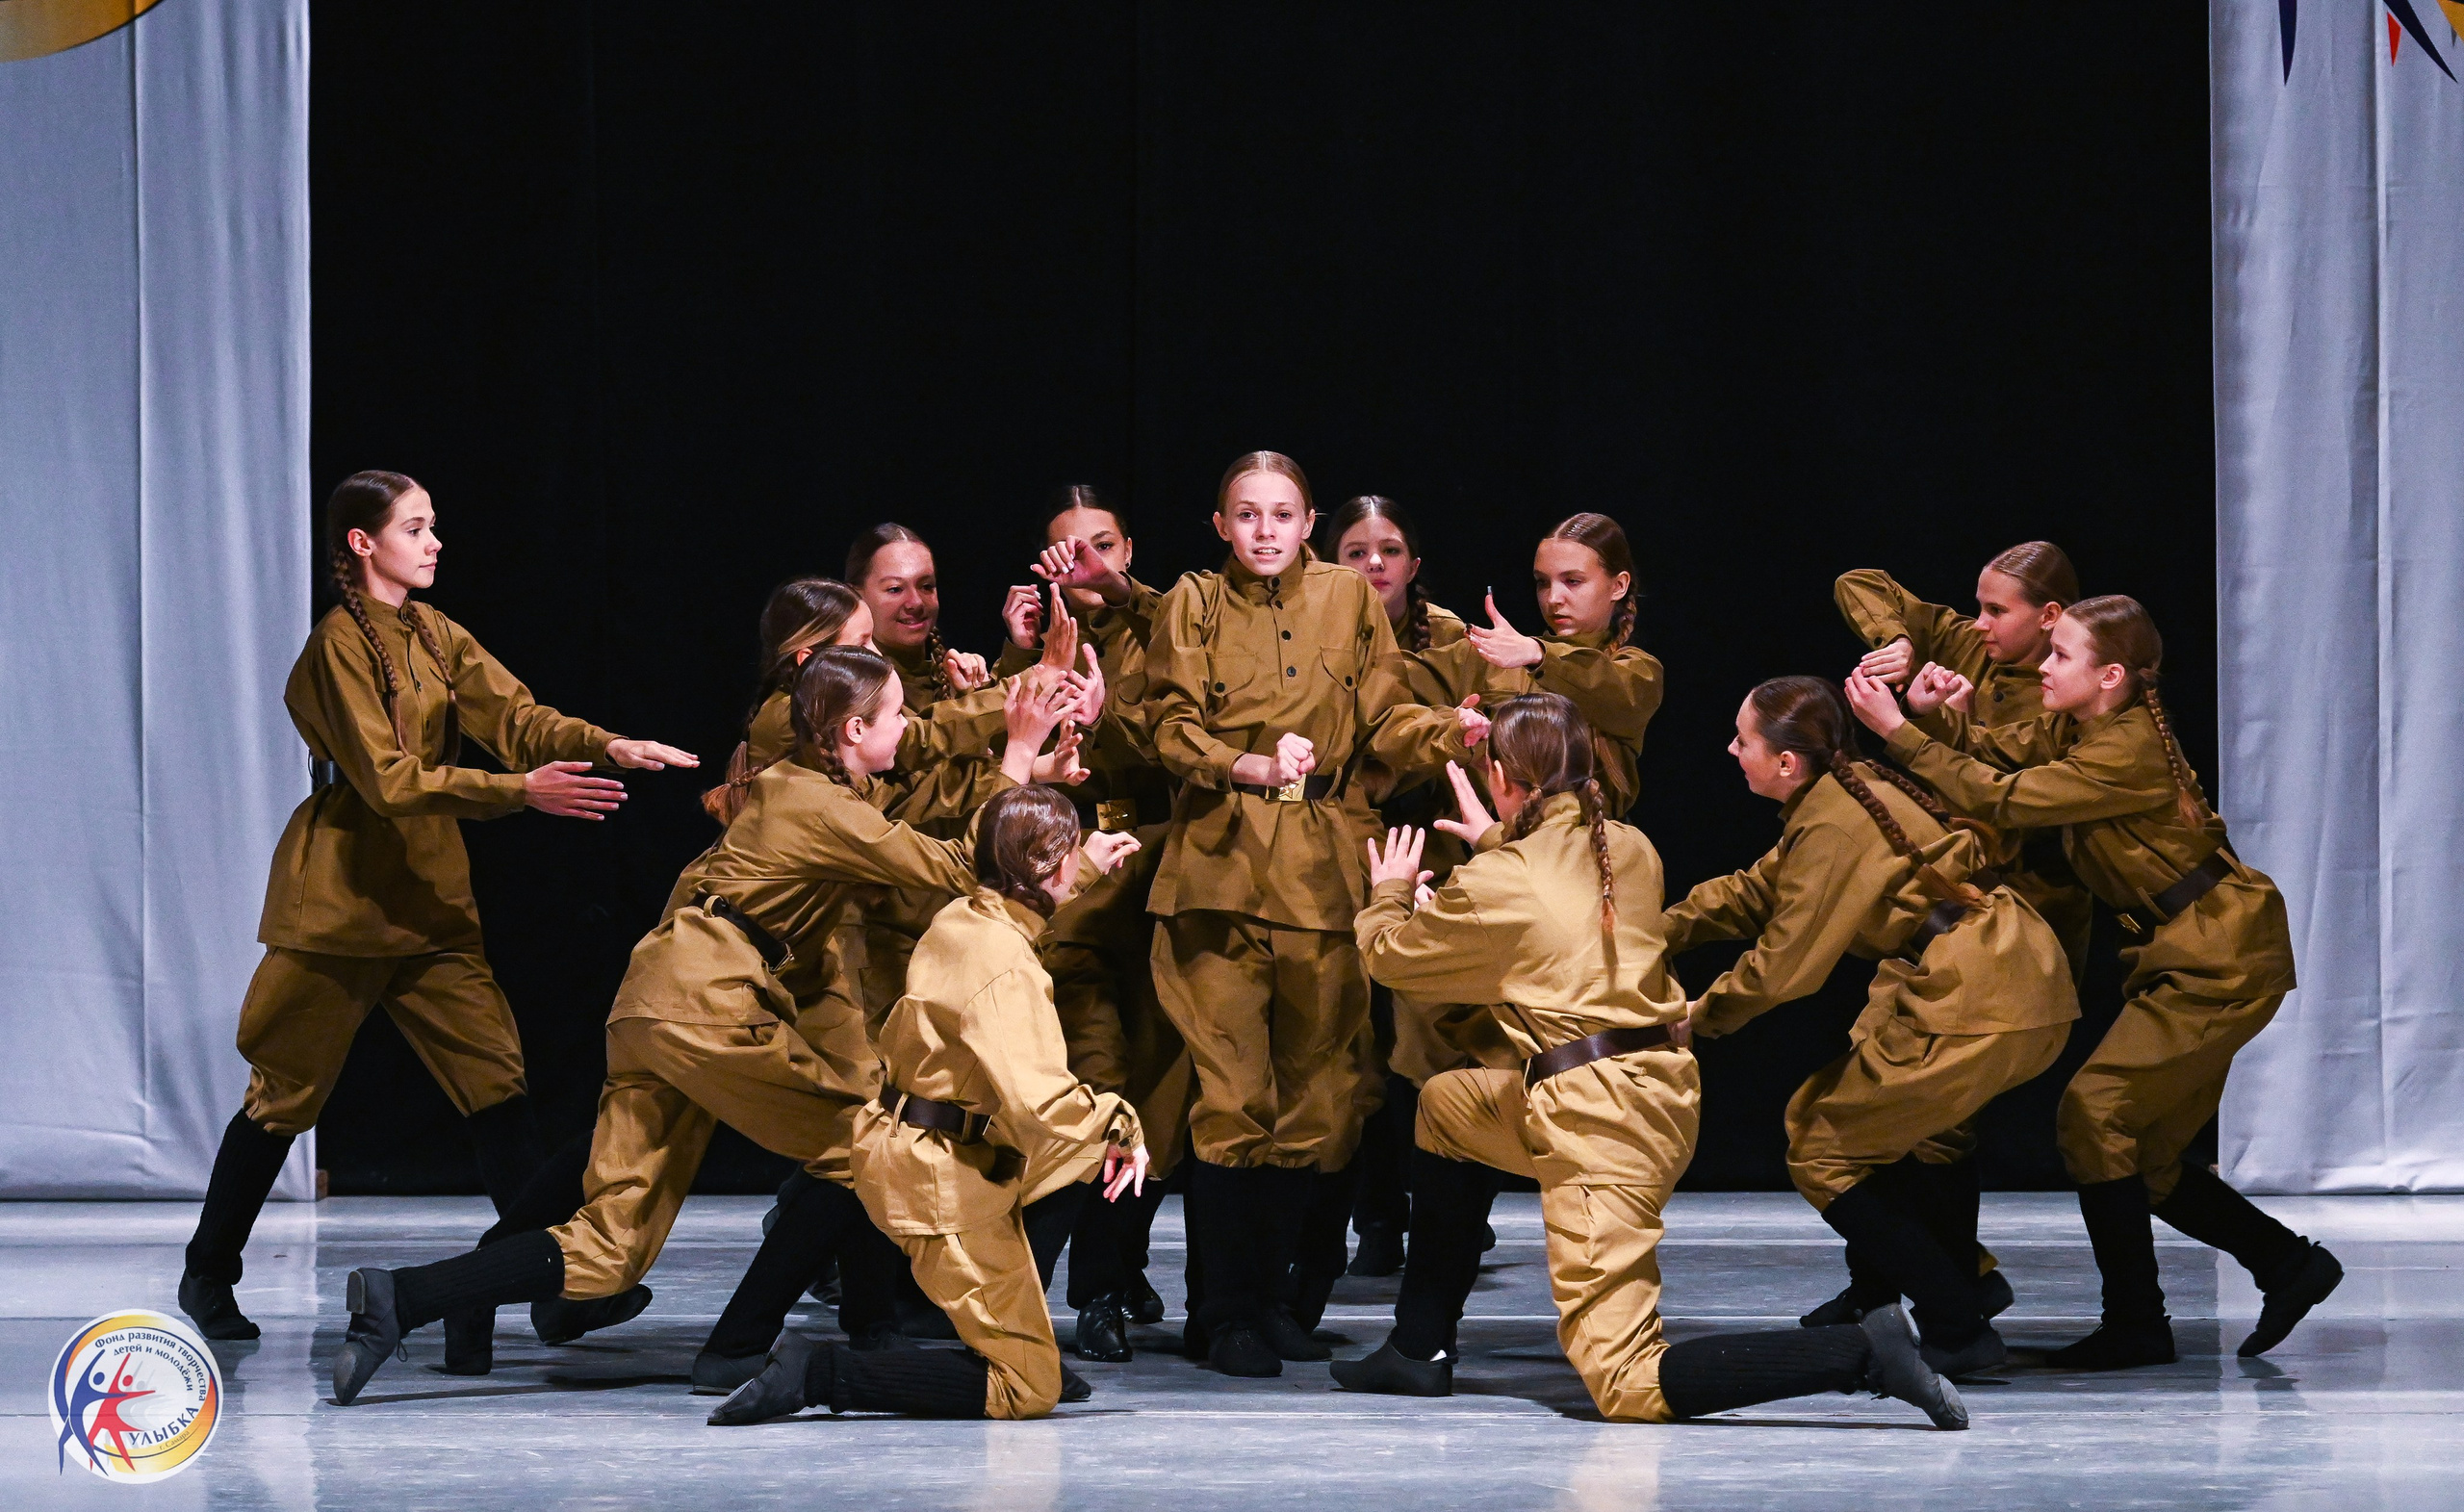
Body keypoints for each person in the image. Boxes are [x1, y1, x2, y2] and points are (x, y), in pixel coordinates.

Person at [327, 647, 1083, 1405]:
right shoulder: (818, 804)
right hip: (707, 999)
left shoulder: (807, 791)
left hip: (655, 999)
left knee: (612, 1243)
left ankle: (405, 1297)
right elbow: (958, 867)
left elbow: (914, 808)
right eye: (896, 716)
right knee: (870, 1142)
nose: (907, 728)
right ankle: (807, 1341)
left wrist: (1023, 750)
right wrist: (1015, 753)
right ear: (854, 729)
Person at [1328, 694, 1967, 1431]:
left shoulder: (1502, 881)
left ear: (1501, 774)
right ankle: (1418, 1348)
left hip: (1596, 1124)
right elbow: (1549, 895)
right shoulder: (1628, 847)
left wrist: (1390, 893)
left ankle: (1861, 1351)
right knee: (1447, 1106)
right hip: (1652, 1095)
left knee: (1628, 1381)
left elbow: (1393, 959)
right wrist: (1496, 839)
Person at [178, 471, 696, 1344]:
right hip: (341, 905)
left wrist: (604, 743)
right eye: (415, 527)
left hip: (431, 902)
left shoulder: (434, 631)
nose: (434, 541)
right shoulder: (336, 647)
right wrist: (516, 794)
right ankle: (208, 1272)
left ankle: (540, 1282)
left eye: (432, 526)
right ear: (361, 542)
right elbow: (386, 780)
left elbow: (518, 715)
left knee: (497, 1087)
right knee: (283, 1096)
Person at [1847, 595, 2341, 1368]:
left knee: (2093, 1114)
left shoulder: (2127, 750)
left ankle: (2139, 1324)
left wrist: (1897, 733)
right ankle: (2287, 1263)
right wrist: (1950, 716)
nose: (2041, 666)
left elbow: (2004, 798)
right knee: (2145, 1158)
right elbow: (1998, 755)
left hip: (2221, 958)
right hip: (2188, 953)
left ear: (2109, 675)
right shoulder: (2081, 726)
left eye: (2060, 656)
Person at [1143, 451, 1487, 1377]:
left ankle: (1273, 1302)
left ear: (1306, 522)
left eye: (1283, 514)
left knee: (1313, 1101)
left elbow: (1386, 715)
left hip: (1322, 873)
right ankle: (1221, 1314)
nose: (1264, 530)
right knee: (1231, 1095)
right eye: (1247, 514)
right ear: (1221, 525)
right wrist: (1247, 763)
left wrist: (1458, 729)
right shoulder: (1192, 602)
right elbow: (1167, 724)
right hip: (1220, 865)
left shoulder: (1347, 598)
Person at [1660, 678, 2079, 1375]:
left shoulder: (1831, 821)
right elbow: (1754, 891)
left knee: (1823, 1144)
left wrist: (1699, 1017)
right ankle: (1936, 1284)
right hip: (2004, 973)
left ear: (1787, 761)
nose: (1731, 750)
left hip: (1980, 993)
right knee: (1899, 1130)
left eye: (1743, 740)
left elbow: (1785, 967)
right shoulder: (1839, 792)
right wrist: (1654, 931)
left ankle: (1957, 1321)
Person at [708, 785, 1149, 1422]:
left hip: (908, 1141)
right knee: (1029, 1387)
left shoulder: (966, 913)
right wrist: (1121, 1122)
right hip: (941, 1174)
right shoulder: (1006, 966)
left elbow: (1018, 880)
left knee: (1082, 1154)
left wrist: (1079, 862)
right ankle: (820, 1371)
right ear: (1048, 867)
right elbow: (1039, 1098)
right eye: (1070, 854)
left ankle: (1008, 1325)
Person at [996, 486, 1194, 1364]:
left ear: (1127, 547)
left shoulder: (1170, 627)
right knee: (1101, 1086)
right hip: (1074, 897)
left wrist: (1115, 712)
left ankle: (1125, 1261)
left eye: (1101, 545)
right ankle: (1097, 1291)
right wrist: (1019, 653)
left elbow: (1185, 749)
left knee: (1158, 1099)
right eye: (1064, 549)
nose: (1082, 563)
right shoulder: (1035, 641)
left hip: (1160, 882)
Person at [1318, 495, 1493, 1287]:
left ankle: (1453, 1211)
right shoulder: (1314, 630)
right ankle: (1378, 1218)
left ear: (1414, 564)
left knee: (1440, 1044)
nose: (1375, 564)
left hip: (1447, 854)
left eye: (1389, 549)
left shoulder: (1457, 638)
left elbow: (1485, 728)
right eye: (1355, 551)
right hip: (1352, 849)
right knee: (1361, 1049)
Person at [1835, 542, 2094, 981]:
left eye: (1997, 611)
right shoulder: (1972, 644)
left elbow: (2000, 793)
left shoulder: (2071, 697)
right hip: (1952, 886)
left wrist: (1924, 722)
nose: (1980, 625)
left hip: (2032, 903)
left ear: (2049, 616)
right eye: (1980, 607)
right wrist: (1896, 641)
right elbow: (1859, 582)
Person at [1410, 512, 1661, 819]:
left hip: (1594, 851)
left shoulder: (1638, 671)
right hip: (1501, 848)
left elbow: (1610, 689)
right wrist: (1457, 729)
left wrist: (1536, 653)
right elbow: (1393, 685)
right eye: (1543, 583)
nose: (1554, 598)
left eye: (1573, 581)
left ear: (1618, 586)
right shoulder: (1494, 656)